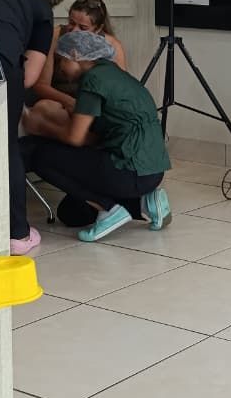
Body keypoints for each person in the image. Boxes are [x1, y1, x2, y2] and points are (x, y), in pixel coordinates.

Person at [22, 30, 171, 242]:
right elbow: (96, 136)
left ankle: (110, 209)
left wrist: (40, 125)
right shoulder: (116, 74)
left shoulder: (92, 80)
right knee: (72, 213)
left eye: (61, 60)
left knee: (40, 156)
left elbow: (76, 138)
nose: (61, 69)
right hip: (153, 172)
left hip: (129, 172)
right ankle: (144, 203)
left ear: (74, 55)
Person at [0, 0, 54, 255]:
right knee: (5, 145)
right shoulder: (42, 14)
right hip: (0, 61)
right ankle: (17, 234)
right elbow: (30, 77)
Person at [27, 0, 126, 132]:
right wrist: (69, 101)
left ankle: (79, 137)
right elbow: (41, 85)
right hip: (60, 102)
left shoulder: (112, 46)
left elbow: (119, 92)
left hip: (92, 107)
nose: (74, 30)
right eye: (71, 23)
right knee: (43, 108)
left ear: (98, 29)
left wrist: (86, 108)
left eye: (83, 28)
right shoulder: (56, 35)